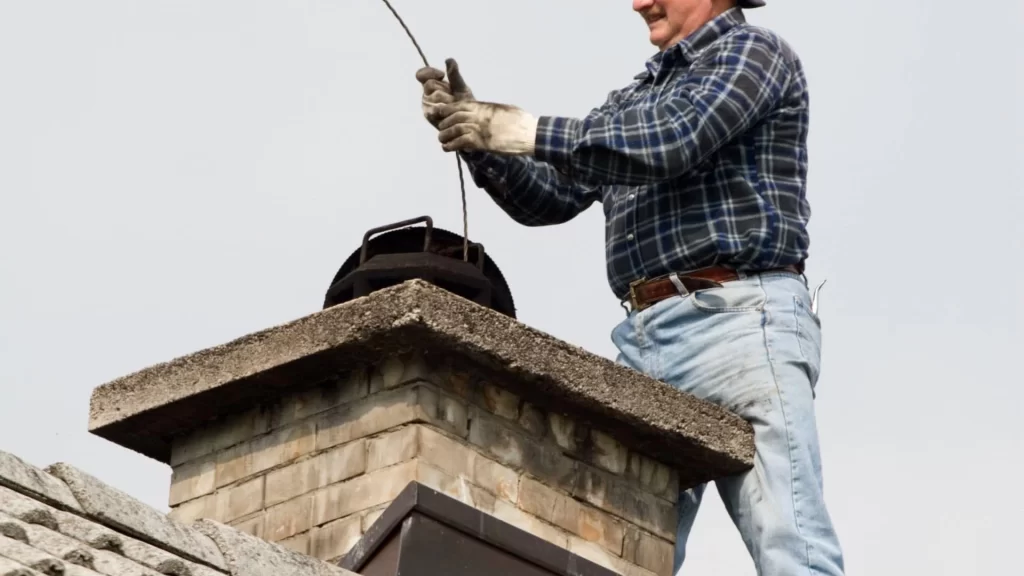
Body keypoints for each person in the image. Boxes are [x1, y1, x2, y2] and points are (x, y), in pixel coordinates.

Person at [415, 0, 845, 574]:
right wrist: (480, 139)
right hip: (646, 341)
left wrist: (520, 129)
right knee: (619, 552)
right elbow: (549, 199)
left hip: (741, 322)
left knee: (791, 547)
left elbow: (672, 141)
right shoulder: (633, 99)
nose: (639, 2)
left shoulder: (753, 53)